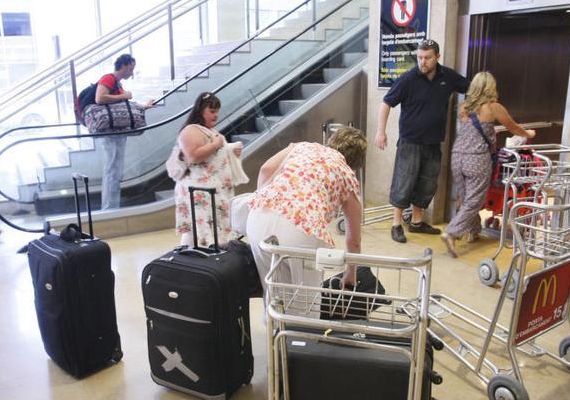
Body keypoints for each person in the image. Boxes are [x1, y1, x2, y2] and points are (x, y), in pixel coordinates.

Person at [246, 127, 366, 315]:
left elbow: (266, 169)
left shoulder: (303, 147)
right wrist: (350, 273)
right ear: (357, 162)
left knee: (275, 293)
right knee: (306, 302)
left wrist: (270, 197)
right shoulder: (346, 174)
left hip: (259, 217)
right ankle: (302, 340)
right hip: (301, 228)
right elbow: (354, 239)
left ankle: (277, 339)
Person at [375, 39, 470, 243]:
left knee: (426, 184)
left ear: (437, 57)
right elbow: (386, 103)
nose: (422, 62)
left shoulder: (447, 76)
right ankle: (396, 224)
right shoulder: (408, 79)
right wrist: (380, 131)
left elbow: (470, 87)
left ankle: (417, 222)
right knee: (404, 182)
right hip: (410, 141)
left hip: (434, 142)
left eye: (427, 58)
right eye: (419, 57)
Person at [443, 71, 536, 258]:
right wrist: (528, 134)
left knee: (465, 196)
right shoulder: (493, 107)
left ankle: (474, 230)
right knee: (475, 200)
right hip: (476, 158)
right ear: (490, 87)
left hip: (457, 157)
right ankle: (452, 232)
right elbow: (513, 127)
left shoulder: (463, 108)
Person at [174, 92, 244, 247]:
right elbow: (193, 156)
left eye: (217, 111)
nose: (216, 115)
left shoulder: (210, 131)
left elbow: (215, 155)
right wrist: (216, 145)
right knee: (199, 232)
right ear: (200, 111)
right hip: (199, 190)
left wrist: (231, 151)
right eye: (212, 111)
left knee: (213, 231)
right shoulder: (191, 130)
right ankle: (193, 263)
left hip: (214, 189)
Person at [96, 54, 154, 210]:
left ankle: (112, 206)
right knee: (111, 170)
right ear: (125, 65)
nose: (132, 73)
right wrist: (124, 95)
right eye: (131, 68)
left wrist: (143, 106)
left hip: (117, 132)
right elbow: (99, 98)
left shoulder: (117, 83)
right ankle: (109, 208)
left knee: (115, 171)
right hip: (111, 133)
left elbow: (123, 107)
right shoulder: (109, 79)